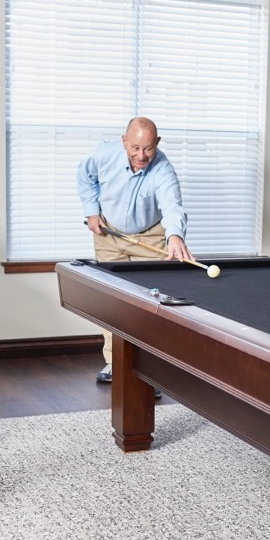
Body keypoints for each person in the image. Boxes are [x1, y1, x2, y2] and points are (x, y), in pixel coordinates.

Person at [77, 116, 193, 382]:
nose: (141, 155)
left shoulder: (163, 170)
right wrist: (92, 212)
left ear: (158, 144)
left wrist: (174, 236)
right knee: (112, 300)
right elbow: (85, 177)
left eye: (149, 148)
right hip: (109, 234)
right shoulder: (104, 154)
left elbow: (172, 206)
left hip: (150, 237)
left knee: (152, 304)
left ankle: (151, 370)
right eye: (135, 148)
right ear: (124, 141)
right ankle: (114, 363)